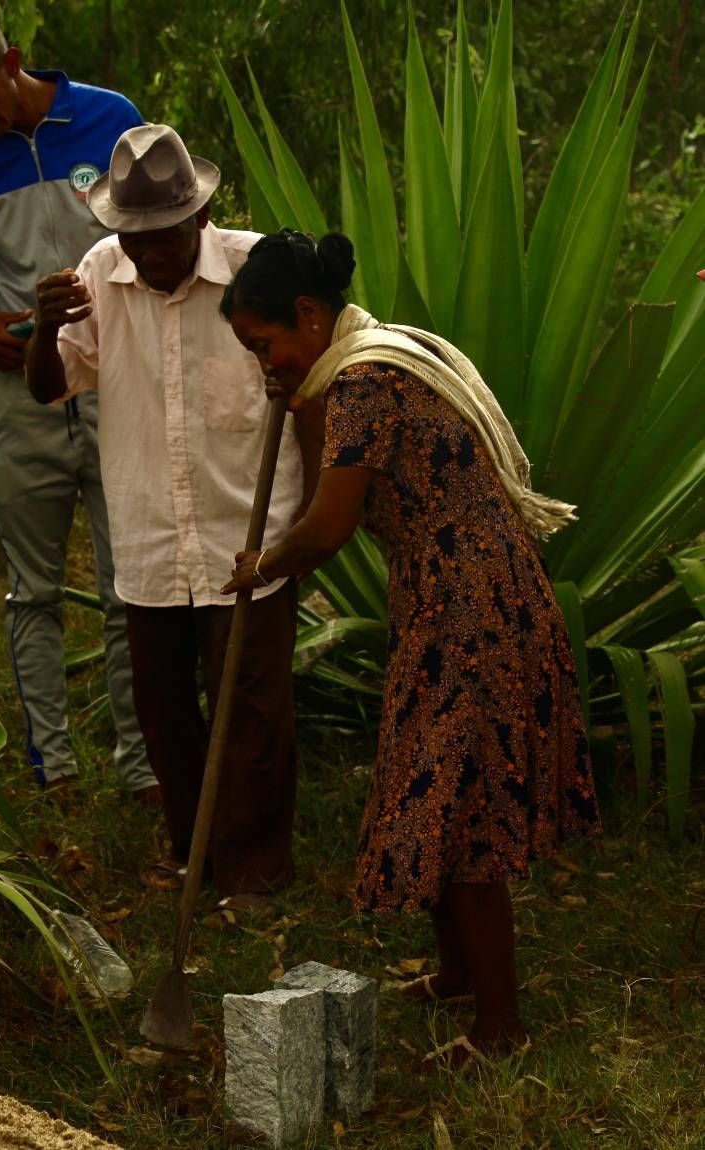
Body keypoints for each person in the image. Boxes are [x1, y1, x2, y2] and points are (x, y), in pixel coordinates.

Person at [221, 230, 601, 1067]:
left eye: (266, 344)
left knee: (459, 812)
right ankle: (459, 975)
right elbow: (327, 469)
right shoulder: (370, 362)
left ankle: (499, 1029)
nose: (264, 365)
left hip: (470, 612)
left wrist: (262, 566)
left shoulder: (362, 382)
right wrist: (290, 391)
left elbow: (326, 525)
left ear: (310, 315)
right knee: (425, 786)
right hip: (457, 599)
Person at [25, 126, 318, 906]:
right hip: (149, 532)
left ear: (199, 219)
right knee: (164, 710)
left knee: (253, 706)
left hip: (245, 530)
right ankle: (197, 854)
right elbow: (50, 388)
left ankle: (255, 872)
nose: (147, 254)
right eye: (132, 238)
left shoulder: (258, 271)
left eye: (162, 238)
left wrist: (314, 514)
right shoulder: (98, 274)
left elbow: (323, 374)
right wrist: (44, 328)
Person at [0, 6, 158, 803]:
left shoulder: (108, 119)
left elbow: (161, 234)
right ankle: (52, 766)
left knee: (131, 583)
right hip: (24, 388)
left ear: (13, 60)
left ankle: (142, 764)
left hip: (118, 382)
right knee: (34, 588)